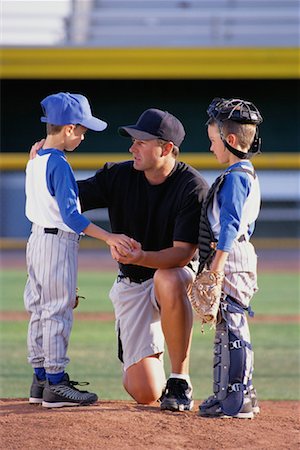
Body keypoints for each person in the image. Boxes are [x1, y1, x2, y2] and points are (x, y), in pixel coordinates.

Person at [77, 108, 209, 410]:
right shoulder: (119, 175)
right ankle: (153, 360)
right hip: (133, 282)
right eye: (133, 140)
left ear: (165, 148)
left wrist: (141, 255)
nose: (132, 147)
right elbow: (67, 196)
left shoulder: (192, 187)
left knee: (168, 276)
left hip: (174, 276)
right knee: (145, 392)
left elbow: (181, 254)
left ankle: (180, 379)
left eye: (141, 141)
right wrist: (42, 165)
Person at [24, 92, 134, 408]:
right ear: (69, 128)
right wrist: (109, 237)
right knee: (57, 310)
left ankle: (41, 379)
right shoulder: (57, 163)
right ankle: (56, 384)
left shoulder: (36, 158)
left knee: (39, 308)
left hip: (36, 241)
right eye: (82, 129)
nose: (84, 135)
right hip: (57, 243)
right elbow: (72, 216)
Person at [196, 97, 263, 419]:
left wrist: (217, 266)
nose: (211, 148)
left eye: (213, 141)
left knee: (232, 325)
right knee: (227, 324)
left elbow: (231, 224)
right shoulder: (241, 172)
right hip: (234, 252)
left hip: (231, 254)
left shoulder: (236, 176)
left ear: (231, 140)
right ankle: (232, 393)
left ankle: (236, 399)